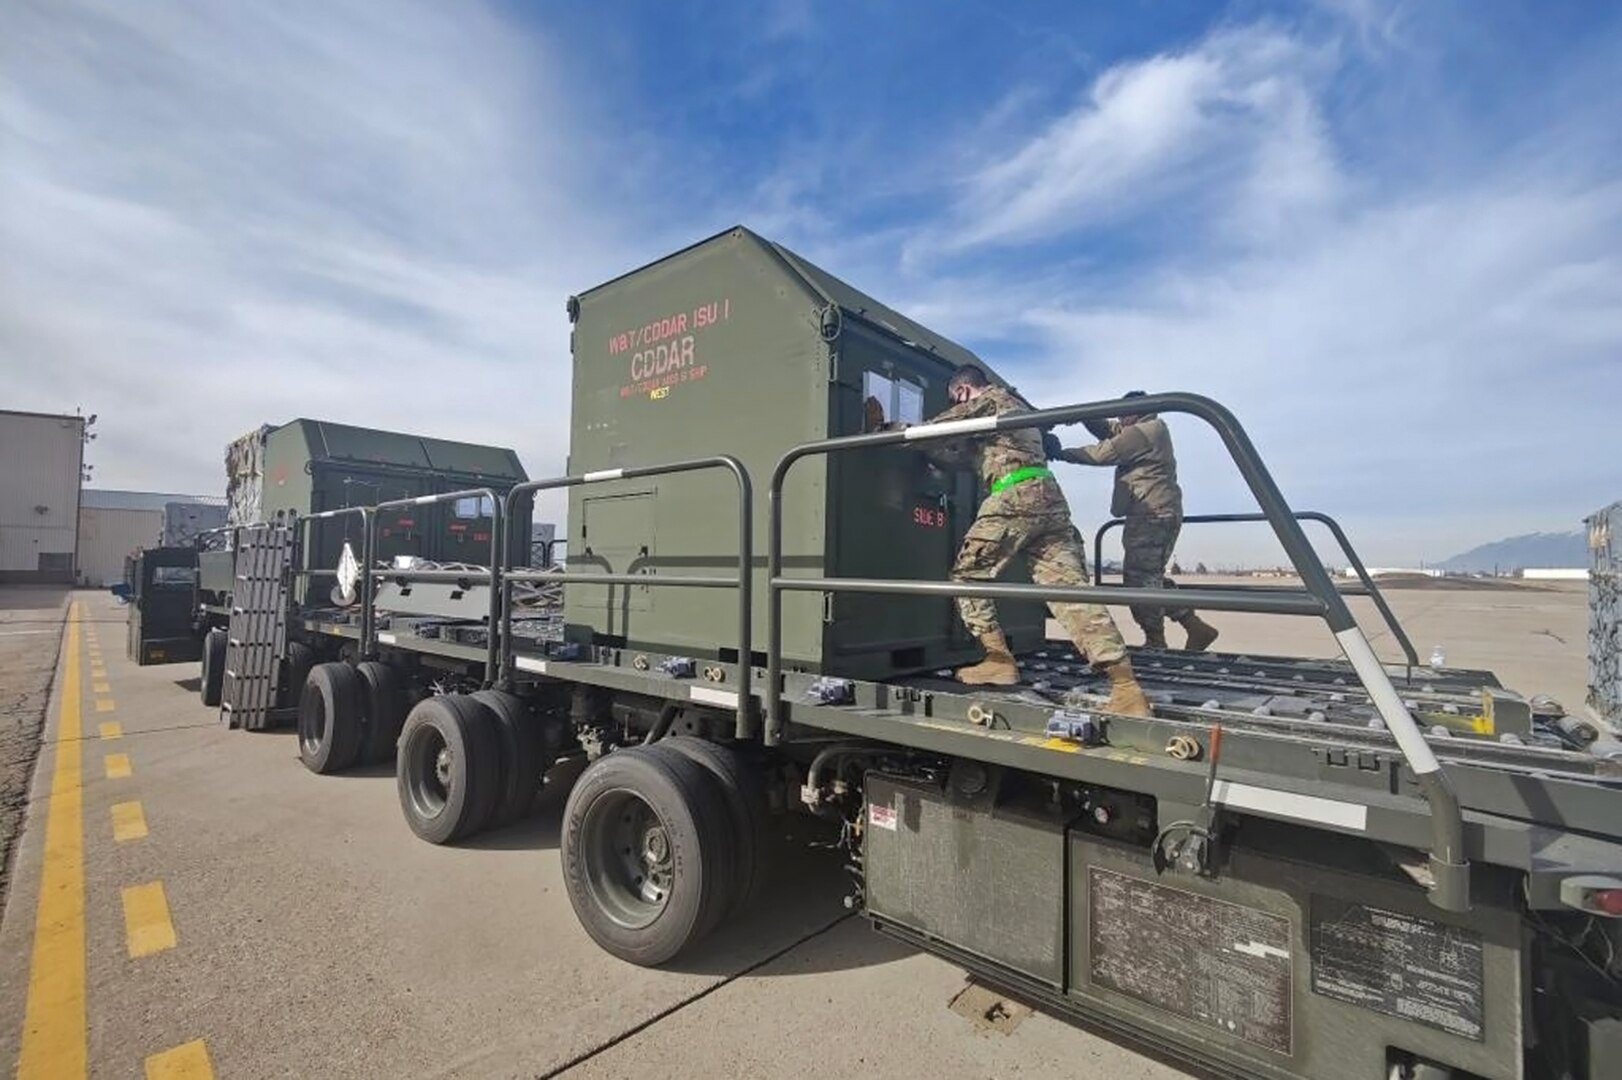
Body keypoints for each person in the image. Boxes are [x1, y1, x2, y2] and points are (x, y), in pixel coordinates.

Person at [887, 364, 1151, 717]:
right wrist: (929, 453)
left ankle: (998, 659)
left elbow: (942, 428)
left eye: (957, 399)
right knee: (1068, 592)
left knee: (967, 576)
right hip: (1049, 501)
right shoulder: (1014, 418)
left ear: (963, 391)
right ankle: (1126, 687)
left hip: (1015, 496)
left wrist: (893, 432)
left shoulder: (993, 399)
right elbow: (958, 458)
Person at [1047, 391, 1219, 652]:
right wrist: (1085, 417)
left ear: (1134, 412)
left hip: (1153, 514)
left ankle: (1155, 640)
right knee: (1149, 577)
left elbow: (1104, 452)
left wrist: (1060, 453)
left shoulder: (1146, 431)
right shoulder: (1143, 427)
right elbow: (1109, 431)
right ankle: (1194, 626)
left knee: (1139, 581)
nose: (1118, 419)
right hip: (1153, 512)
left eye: (1122, 414)